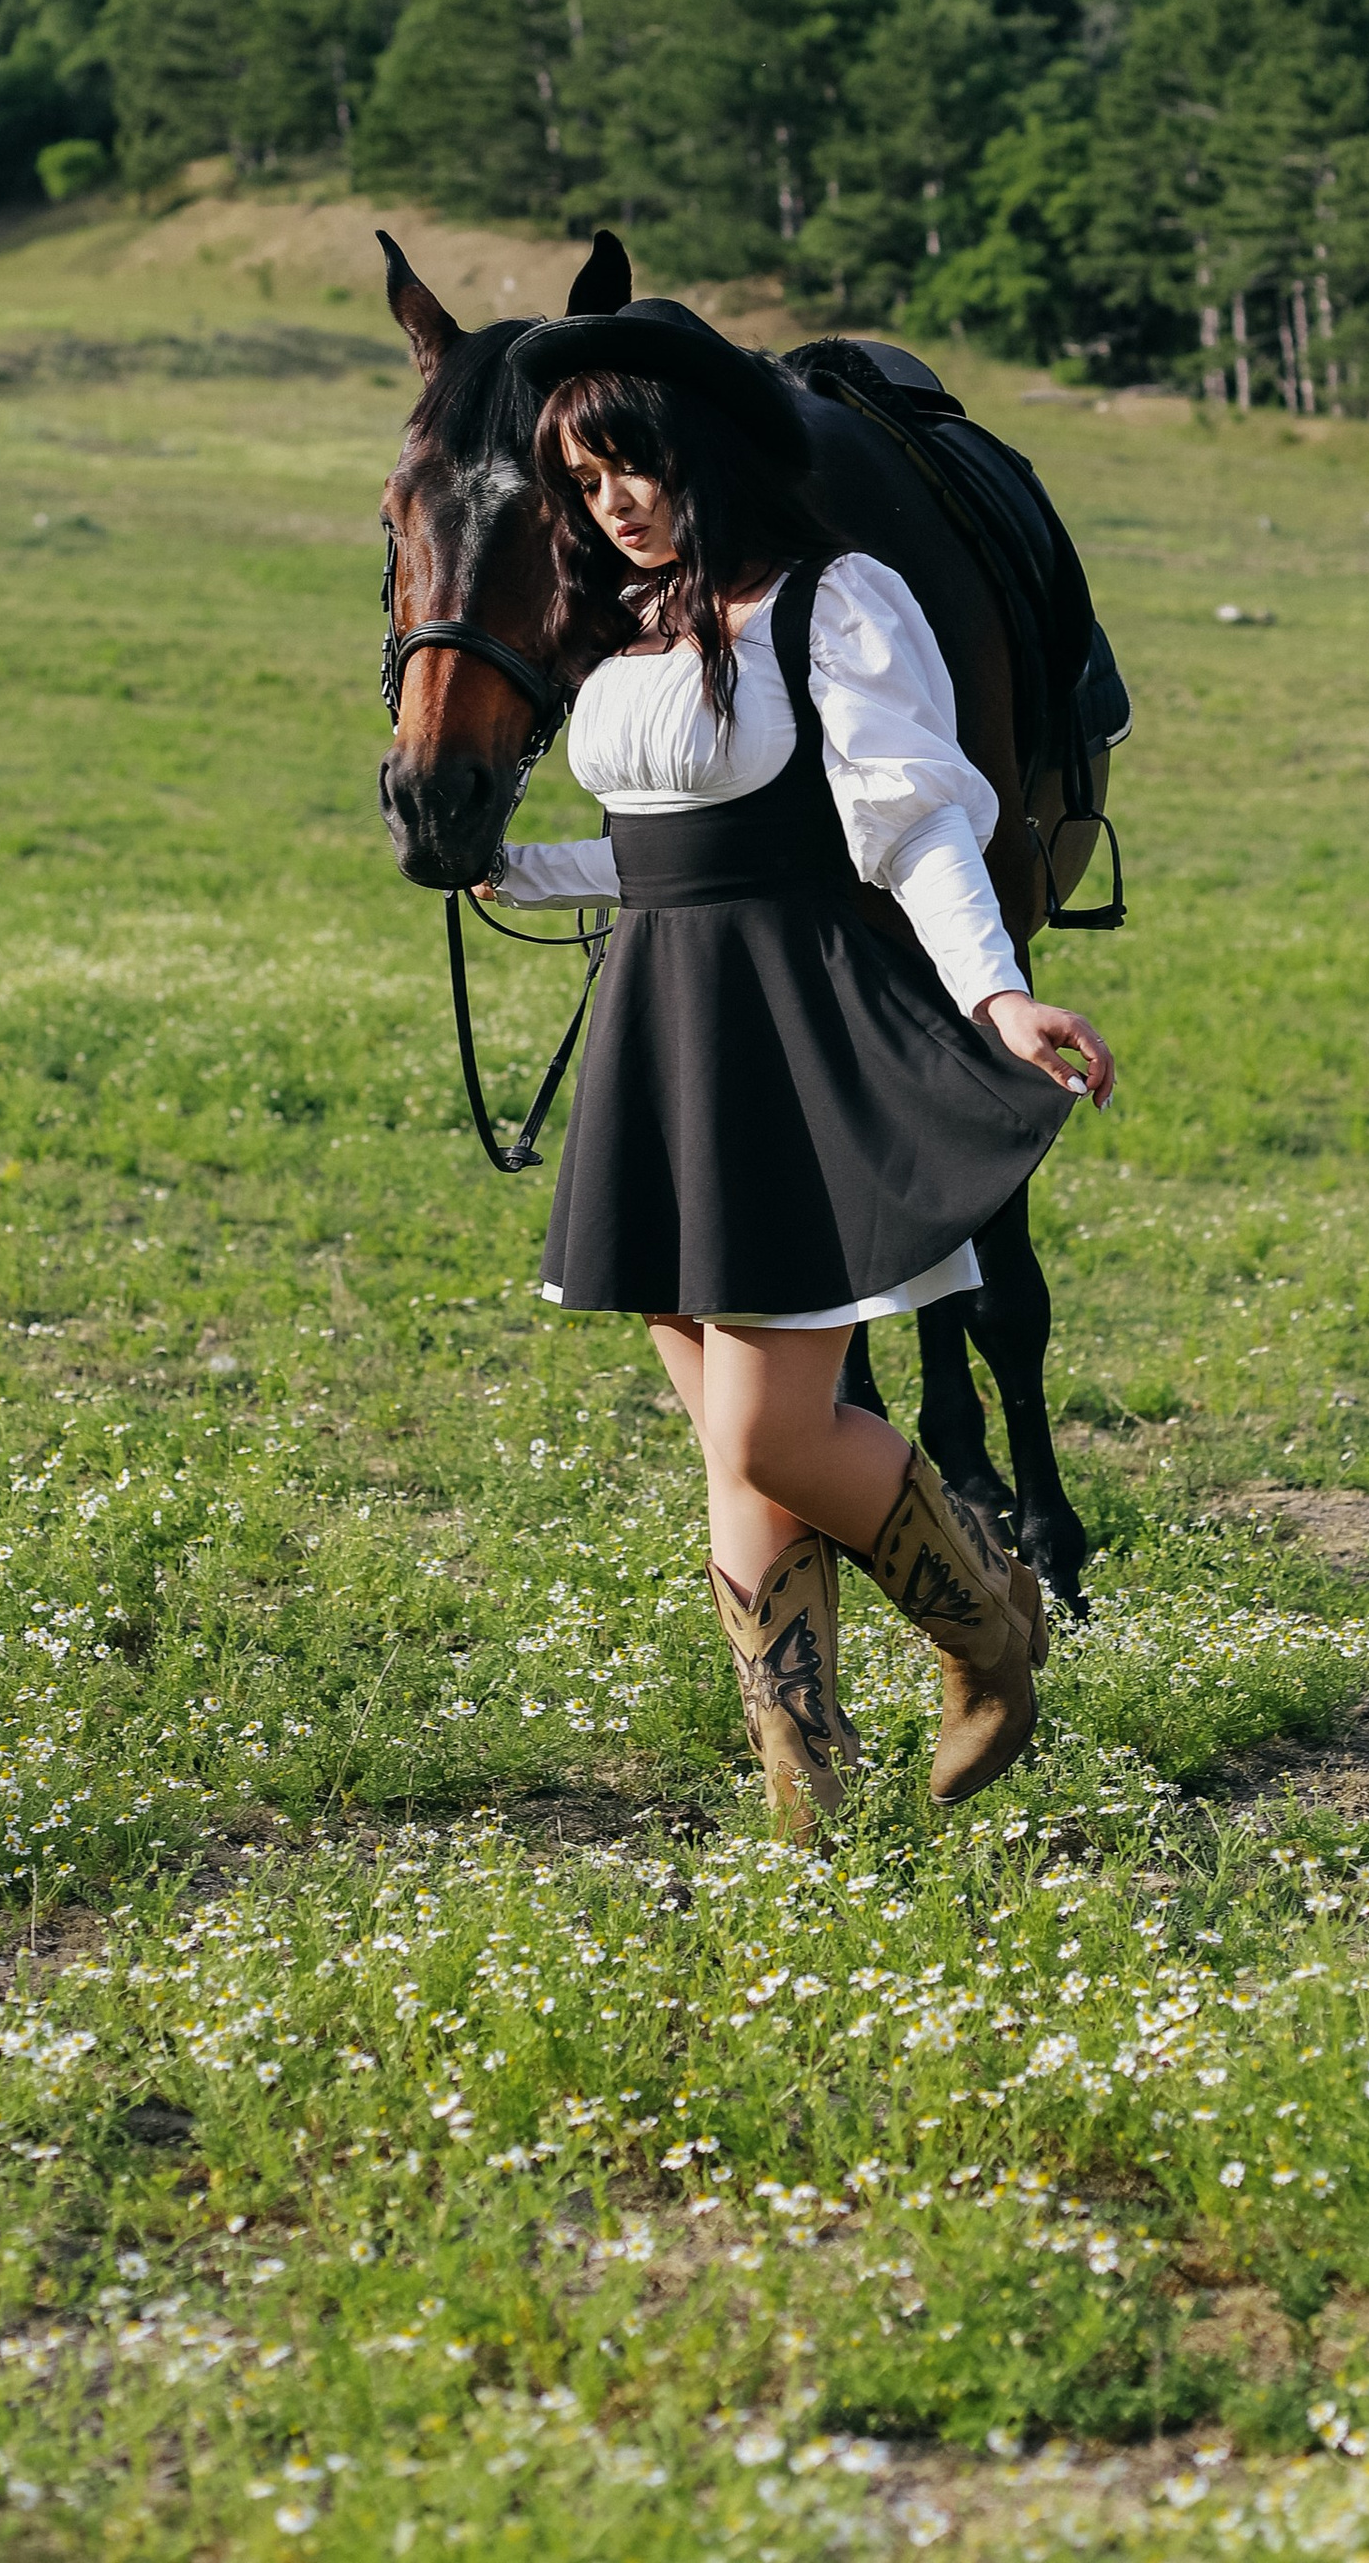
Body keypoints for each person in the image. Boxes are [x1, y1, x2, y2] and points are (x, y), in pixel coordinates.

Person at [486, 297, 1116, 1833]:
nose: (614, 502)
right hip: (667, 1034)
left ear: (704, 451)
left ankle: (989, 1632)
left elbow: (910, 824)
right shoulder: (637, 627)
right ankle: (809, 1795)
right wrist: (517, 869)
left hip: (789, 1034)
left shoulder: (837, 602)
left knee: (771, 1427)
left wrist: (995, 996)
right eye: (584, 481)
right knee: (731, 1448)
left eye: (632, 464)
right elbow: (662, 849)